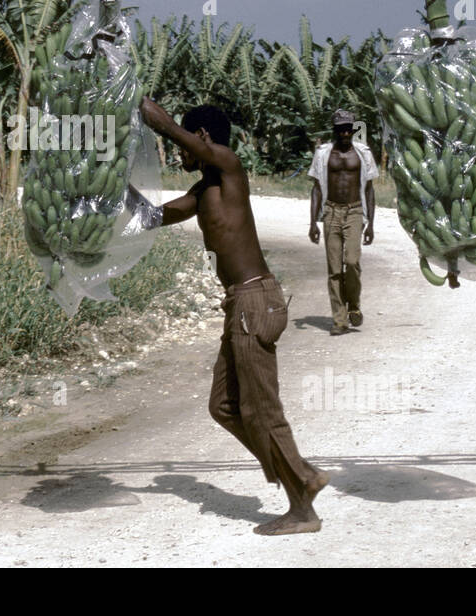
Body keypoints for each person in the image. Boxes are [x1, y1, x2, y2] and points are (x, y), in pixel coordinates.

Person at [133, 97, 329, 535]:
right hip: (238, 306)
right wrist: (110, 196)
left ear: (201, 137)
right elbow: (155, 217)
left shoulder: (230, 167)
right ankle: (301, 472)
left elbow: (193, 145)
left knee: (262, 411)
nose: (180, 154)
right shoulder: (204, 192)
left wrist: (160, 122)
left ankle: (302, 506)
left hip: (255, 302)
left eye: (186, 142)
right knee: (223, 406)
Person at [308, 110, 377, 336]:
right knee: (334, 269)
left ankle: (354, 305)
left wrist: (371, 224)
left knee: (352, 261)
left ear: (353, 129)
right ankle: (340, 320)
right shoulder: (324, 154)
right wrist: (313, 222)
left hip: (355, 210)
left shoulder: (363, 153)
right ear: (335, 130)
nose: (345, 133)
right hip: (331, 211)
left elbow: (369, 189)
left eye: (349, 128)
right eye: (341, 129)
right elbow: (317, 188)